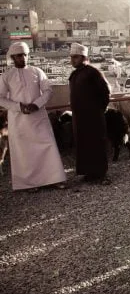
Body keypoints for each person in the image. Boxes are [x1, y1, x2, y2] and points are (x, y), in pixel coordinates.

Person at [0, 42, 67, 190]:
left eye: (25, 55)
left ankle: (53, 179)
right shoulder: (6, 76)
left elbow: (48, 91)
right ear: (13, 57)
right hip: (18, 120)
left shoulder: (37, 71)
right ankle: (29, 184)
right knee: (24, 152)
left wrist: (36, 104)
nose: (23, 58)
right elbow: (1, 98)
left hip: (38, 117)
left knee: (47, 145)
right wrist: (19, 107)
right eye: (19, 56)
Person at [69, 42, 111, 185]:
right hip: (79, 118)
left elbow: (105, 92)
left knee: (96, 144)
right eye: (71, 57)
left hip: (93, 117)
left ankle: (100, 174)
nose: (72, 60)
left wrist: (99, 110)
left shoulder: (93, 72)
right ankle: (89, 173)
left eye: (76, 57)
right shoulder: (75, 74)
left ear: (83, 57)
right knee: (83, 144)